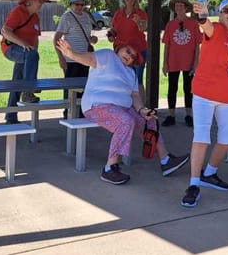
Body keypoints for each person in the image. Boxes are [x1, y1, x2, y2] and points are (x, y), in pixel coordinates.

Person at [55, 38, 190, 185]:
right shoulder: (107, 56)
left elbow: (135, 95)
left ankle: (166, 159)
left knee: (150, 120)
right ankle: (110, 168)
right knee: (126, 122)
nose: (129, 56)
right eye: (128, 51)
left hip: (122, 108)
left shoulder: (131, 73)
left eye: (133, 57)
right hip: (98, 105)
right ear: (119, 48)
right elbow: (88, 59)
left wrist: (142, 110)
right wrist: (71, 54)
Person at [181, 0, 228, 208]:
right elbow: (204, 24)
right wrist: (203, 14)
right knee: (201, 137)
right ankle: (194, 183)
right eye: (227, 10)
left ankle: (210, 172)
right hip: (204, 94)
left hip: (227, 97)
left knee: (227, 139)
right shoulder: (215, 28)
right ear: (220, 13)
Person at [0, 0, 50, 124]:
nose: (41, 4)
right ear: (30, 2)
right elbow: (5, 31)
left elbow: (35, 39)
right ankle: (28, 91)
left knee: (16, 82)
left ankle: (10, 116)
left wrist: (33, 53)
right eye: (40, 1)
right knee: (31, 56)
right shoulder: (18, 12)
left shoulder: (35, 17)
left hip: (26, 53)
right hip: (10, 49)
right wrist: (25, 46)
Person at [53, 0, 98, 107]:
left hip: (85, 58)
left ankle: (82, 113)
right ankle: (68, 114)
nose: (79, 7)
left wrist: (92, 39)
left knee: (83, 88)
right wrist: (61, 58)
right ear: (71, 4)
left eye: (82, 4)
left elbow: (87, 36)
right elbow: (56, 38)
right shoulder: (66, 17)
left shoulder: (87, 17)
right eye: (76, 4)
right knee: (70, 89)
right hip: (71, 60)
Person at [161, 0, 200, 127]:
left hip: (189, 61)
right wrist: (164, 63)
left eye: (181, 6)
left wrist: (196, 62)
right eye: (177, 6)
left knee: (188, 88)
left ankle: (189, 114)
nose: (179, 8)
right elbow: (166, 45)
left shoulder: (193, 24)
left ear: (186, 8)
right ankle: (171, 114)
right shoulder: (170, 25)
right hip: (173, 61)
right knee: (172, 87)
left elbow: (197, 44)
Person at [107, 0, 148, 96]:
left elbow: (143, 28)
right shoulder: (118, 14)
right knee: (122, 80)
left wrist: (139, 22)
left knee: (137, 81)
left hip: (138, 51)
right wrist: (110, 35)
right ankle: (125, 107)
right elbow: (114, 30)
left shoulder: (140, 13)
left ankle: (141, 109)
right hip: (121, 52)